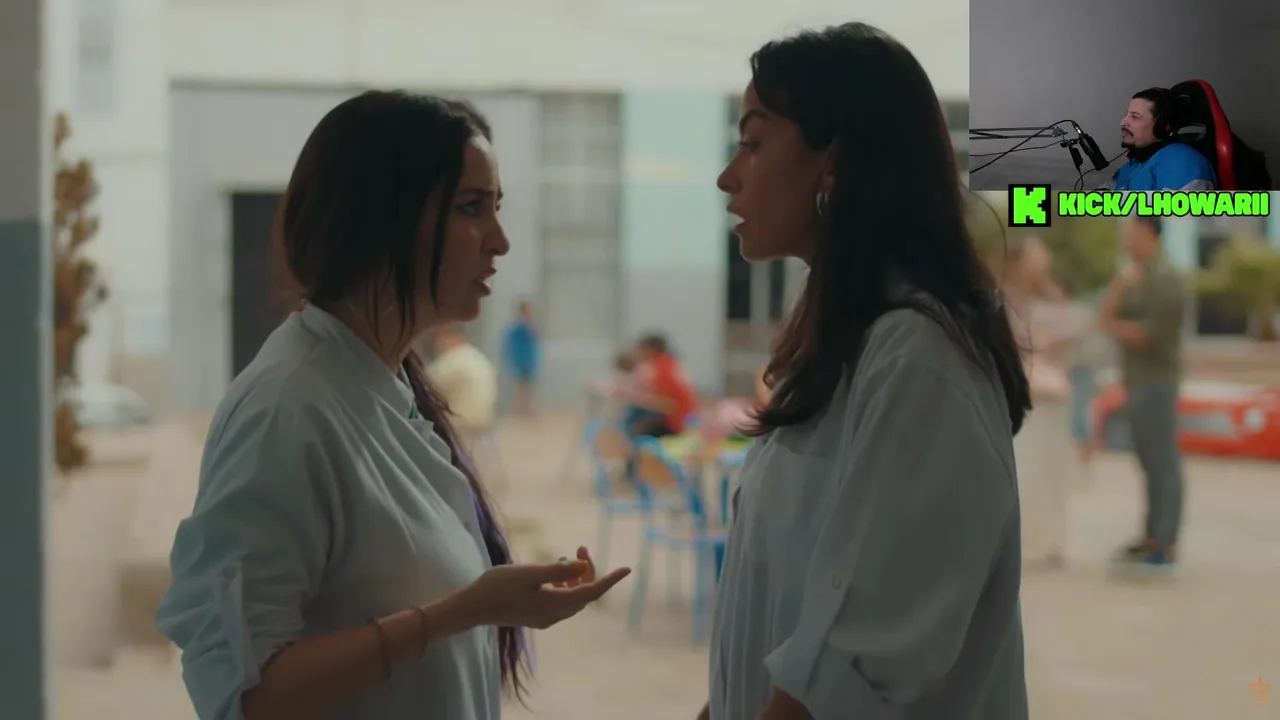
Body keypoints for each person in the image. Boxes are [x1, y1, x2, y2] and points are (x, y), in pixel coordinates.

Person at [154, 91, 629, 720]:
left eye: (497, 208)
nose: (500, 242)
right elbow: (248, 693)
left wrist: (492, 607)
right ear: (384, 221)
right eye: (471, 209)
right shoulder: (288, 410)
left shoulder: (388, 382)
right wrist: (466, 610)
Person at [704, 23, 1031, 720]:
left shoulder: (919, 359)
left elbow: (849, 674)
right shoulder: (839, 349)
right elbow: (780, 627)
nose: (729, 176)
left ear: (835, 162)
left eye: (754, 144)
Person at [1098, 216, 1187, 570]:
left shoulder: (1167, 278)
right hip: (1136, 380)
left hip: (1157, 381)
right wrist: (1119, 287)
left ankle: (1165, 542)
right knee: (1149, 461)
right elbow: (1106, 315)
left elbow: (1149, 335)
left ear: (1148, 232)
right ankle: (1151, 536)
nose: (1126, 238)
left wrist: (1113, 326)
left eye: (1131, 232)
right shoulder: (1135, 277)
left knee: (1163, 462)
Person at [1002, 237, 1085, 570]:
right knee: (1026, 469)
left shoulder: (1052, 298)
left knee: (1053, 470)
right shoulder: (1005, 298)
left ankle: (1051, 538)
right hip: (1025, 394)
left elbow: (1074, 329)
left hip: (1053, 391)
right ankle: (1026, 540)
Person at [1101, 88, 1217, 191]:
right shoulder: (1136, 162)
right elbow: (1107, 189)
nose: (1123, 123)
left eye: (1135, 117)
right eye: (1126, 115)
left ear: (1162, 127)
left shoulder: (1182, 162)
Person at [625, 333, 698, 438]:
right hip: (679, 420)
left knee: (633, 427)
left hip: (676, 423)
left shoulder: (663, 369)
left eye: (641, 349)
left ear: (651, 350)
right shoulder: (668, 363)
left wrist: (636, 398)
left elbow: (668, 404)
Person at [430, 324, 499, 433]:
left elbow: (427, 385)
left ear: (449, 337)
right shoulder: (478, 356)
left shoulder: (452, 359)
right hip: (484, 422)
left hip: (461, 424)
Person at [501, 300, 540, 417]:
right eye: (529, 310)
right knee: (521, 387)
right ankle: (520, 410)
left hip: (528, 360)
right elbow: (510, 343)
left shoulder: (529, 325)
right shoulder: (518, 326)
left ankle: (526, 410)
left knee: (527, 387)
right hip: (521, 360)